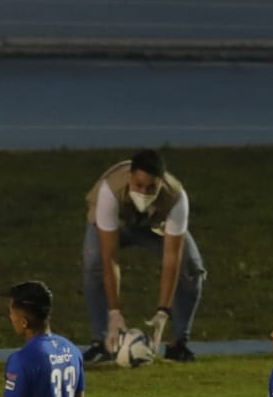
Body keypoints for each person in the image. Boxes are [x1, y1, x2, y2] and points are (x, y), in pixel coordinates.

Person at [81, 148, 206, 364]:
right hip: (116, 225)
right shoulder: (110, 191)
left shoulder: (175, 197)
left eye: (151, 188)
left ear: (161, 182)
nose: (144, 193)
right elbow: (109, 257)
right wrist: (114, 312)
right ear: (130, 177)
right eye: (139, 185)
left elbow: (171, 258)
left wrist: (162, 312)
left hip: (154, 225)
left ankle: (179, 343)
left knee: (191, 267)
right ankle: (102, 343)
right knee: (94, 262)